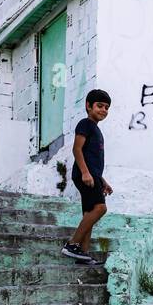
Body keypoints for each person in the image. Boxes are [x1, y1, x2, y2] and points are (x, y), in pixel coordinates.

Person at [62, 89, 113, 263]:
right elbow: (77, 149)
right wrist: (85, 172)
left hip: (92, 176)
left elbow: (94, 160)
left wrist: (102, 180)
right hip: (84, 175)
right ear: (88, 106)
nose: (103, 110)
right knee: (100, 208)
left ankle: (82, 253)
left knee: (89, 213)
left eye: (106, 107)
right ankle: (72, 244)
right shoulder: (85, 124)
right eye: (99, 106)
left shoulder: (96, 130)